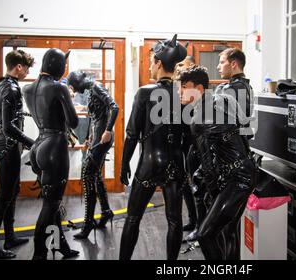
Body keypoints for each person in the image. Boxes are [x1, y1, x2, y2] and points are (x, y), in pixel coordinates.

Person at [119, 35, 187, 260]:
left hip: (149, 162)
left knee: (133, 218)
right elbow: (188, 136)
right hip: (176, 164)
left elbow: (131, 135)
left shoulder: (144, 93)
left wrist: (123, 165)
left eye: (151, 61)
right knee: (175, 220)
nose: (149, 66)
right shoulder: (183, 94)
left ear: (158, 63)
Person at [178, 66, 257, 260]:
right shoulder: (216, 102)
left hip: (237, 178)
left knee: (205, 234)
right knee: (227, 232)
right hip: (240, 174)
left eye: (184, 87)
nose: (179, 92)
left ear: (198, 88)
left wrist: (209, 189)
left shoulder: (204, 113)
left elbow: (207, 159)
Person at [24, 48, 79, 260]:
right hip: (55, 147)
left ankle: (60, 246)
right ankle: (39, 255)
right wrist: (68, 98)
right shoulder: (59, 88)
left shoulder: (28, 88)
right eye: (64, 66)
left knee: (53, 203)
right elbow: (73, 121)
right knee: (50, 206)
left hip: (38, 145)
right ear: (58, 66)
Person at [0, 50, 35, 259]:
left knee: (12, 192)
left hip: (4, 144)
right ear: (19, 67)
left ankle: (10, 237)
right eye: (27, 68)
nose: (27, 72)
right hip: (7, 146)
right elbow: (8, 127)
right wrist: (33, 143)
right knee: (4, 197)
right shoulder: (12, 89)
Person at [66, 71, 119, 239]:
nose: (75, 90)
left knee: (87, 175)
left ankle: (88, 222)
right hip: (97, 137)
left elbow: (114, 107)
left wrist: (108, 131)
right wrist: (89, 136)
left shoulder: (96, 87)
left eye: (74, 86)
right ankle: (105, 212)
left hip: (103, 138)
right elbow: (94, 117)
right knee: (95, 175)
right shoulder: (91, 90)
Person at [214, 47, 255, 259]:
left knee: (228, 228)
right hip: (235, 158)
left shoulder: (235, 89)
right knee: (227, 227)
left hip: (235, 162)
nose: (218, 66)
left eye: (221, 62)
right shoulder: (236, 87)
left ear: (233, 64)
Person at [175, 57, 205, 242]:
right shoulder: (181, 91)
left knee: (197, 185)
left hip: (196, 145)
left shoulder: (197, 94)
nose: (178, 68)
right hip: (185, 142)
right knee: (186, 184)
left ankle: (201, 227)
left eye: (182, 65)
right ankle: (193, 220)